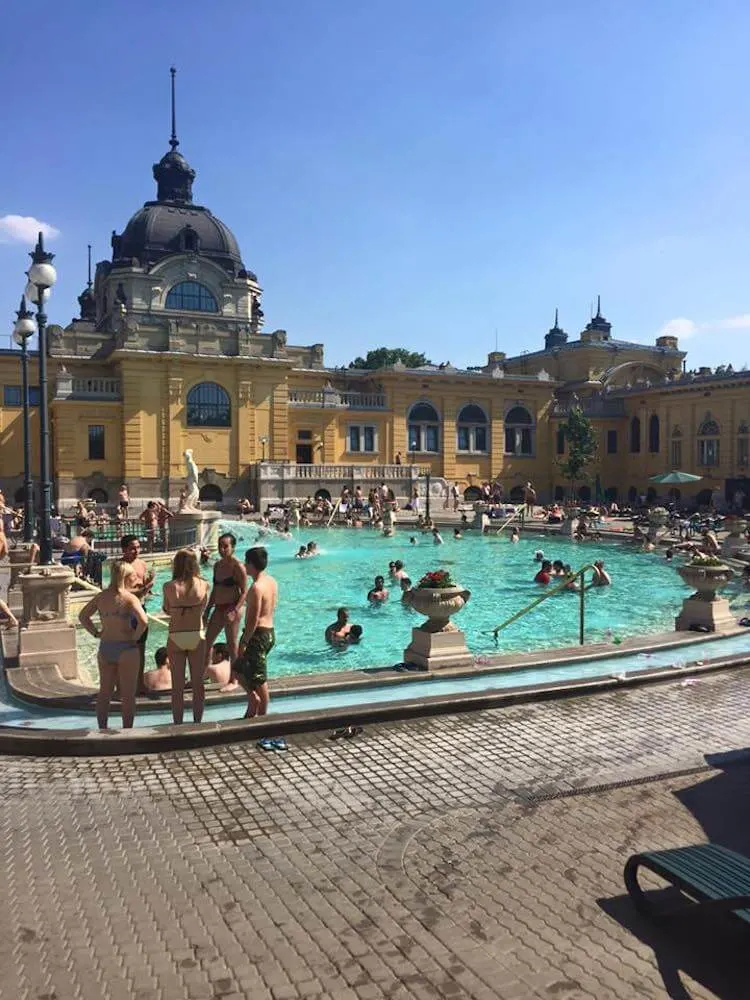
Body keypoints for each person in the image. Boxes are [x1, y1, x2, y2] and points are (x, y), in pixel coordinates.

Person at [79, 560, 148, 729]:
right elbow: (144, 622)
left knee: (105, 693)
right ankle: (127, 731)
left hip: (106, 646)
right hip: (127, 647)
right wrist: (136, 637)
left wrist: (96, 633)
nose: (136, 578)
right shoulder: (129, 599)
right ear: (126, 577)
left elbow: (83, 617)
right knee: (128, 695)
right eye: (133, 575)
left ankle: (102, 728)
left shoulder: (101, 597)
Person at [163, 548, 209, 725]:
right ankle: (198, 722)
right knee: (198, 683)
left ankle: (178, 723)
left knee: (177, 686)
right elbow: (203, 608)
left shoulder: (169, 586)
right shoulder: (203, 584)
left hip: (176, 635)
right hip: (197, 635)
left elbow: (167, 609)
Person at [232, 547, 278, 719]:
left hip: (257, 635)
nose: (244, 565)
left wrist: (244, 641)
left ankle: (262, 717)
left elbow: (253, 619)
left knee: (259, 678)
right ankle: (253, 703)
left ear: (252, 564)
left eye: (246, 562)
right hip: (269, 632)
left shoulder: (256, 588)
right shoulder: (271, 581)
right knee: (238, 669)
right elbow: (273, 605)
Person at [203, 532, 247, 675]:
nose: (222, 550)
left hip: (232, 607)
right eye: (220, 546)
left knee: (232, 644)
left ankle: (234, 679)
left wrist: (235, 610)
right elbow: (215, 590)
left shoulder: (238, 566)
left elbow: (245, 591)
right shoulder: (217, 565)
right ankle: (201, 677)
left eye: (225, 547)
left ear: (233, 548)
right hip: (219, 608)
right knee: (206, 642)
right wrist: (207, 610)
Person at [121, 534, 154, 693]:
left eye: (138, 547)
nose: (136, 551)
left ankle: (140, 683)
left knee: (140, 648)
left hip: (140, 610)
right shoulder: (119, 567)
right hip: (126, 613)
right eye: (132, 548)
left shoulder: (142, 564)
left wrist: (148, 587)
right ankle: (123, 685)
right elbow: (119, 591)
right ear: (124, 550)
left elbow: (144, 590)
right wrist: (143, 590)